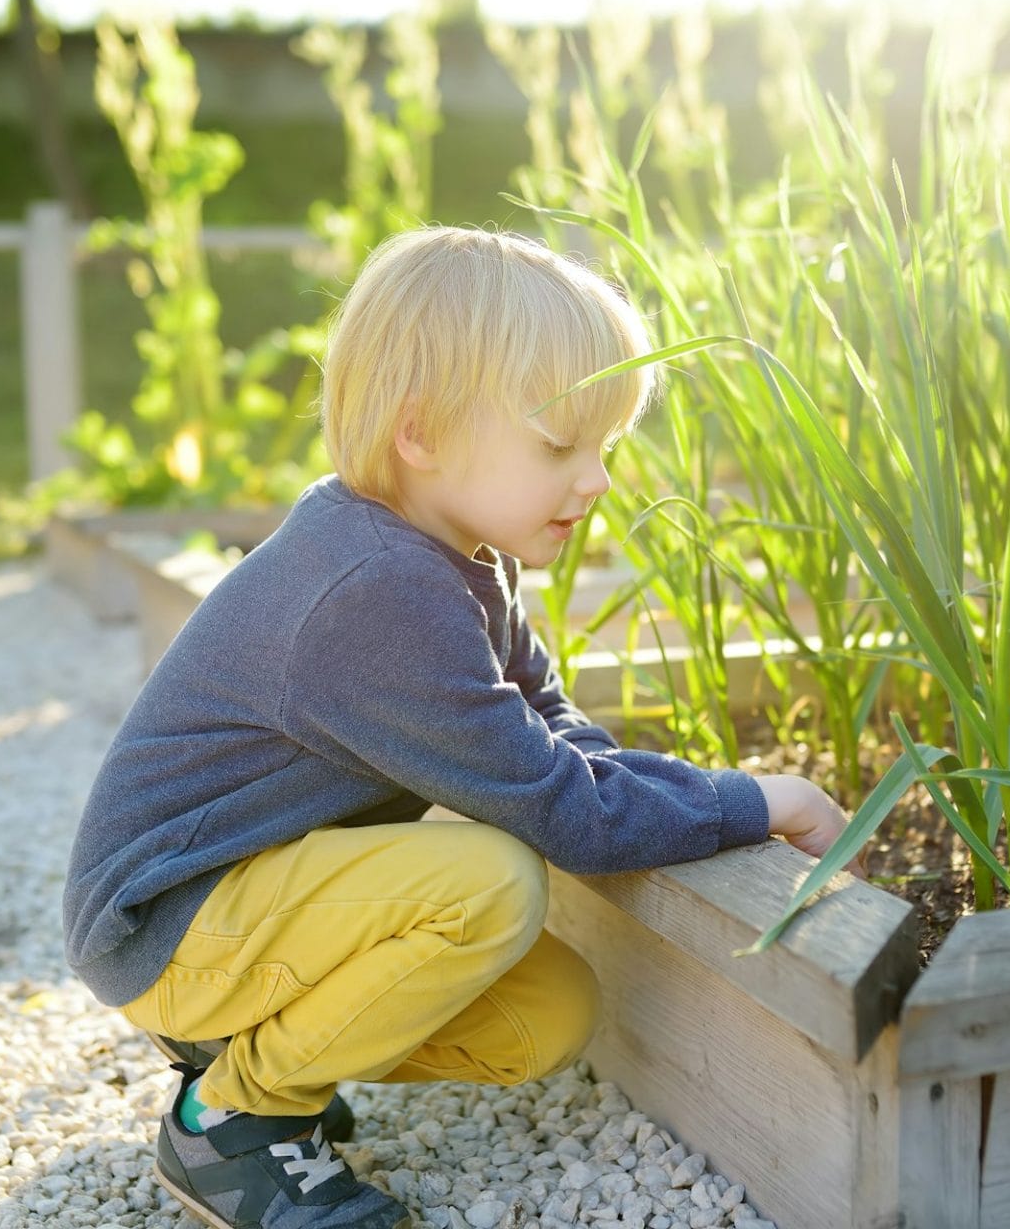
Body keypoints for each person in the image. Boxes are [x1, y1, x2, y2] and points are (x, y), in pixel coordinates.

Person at [61, 225, 860, 1229]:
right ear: (423, 432)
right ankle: (233, 1117)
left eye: (604, 447)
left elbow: (556, 734)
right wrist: (757, 801)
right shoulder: (377, 591)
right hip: (167, 922)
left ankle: (248, 1039)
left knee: (545, 1016)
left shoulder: (458, 554)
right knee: (488, 881)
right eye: (560, 445)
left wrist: (697, 793)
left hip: (256, 887)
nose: (598, 479)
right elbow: (561, 808)